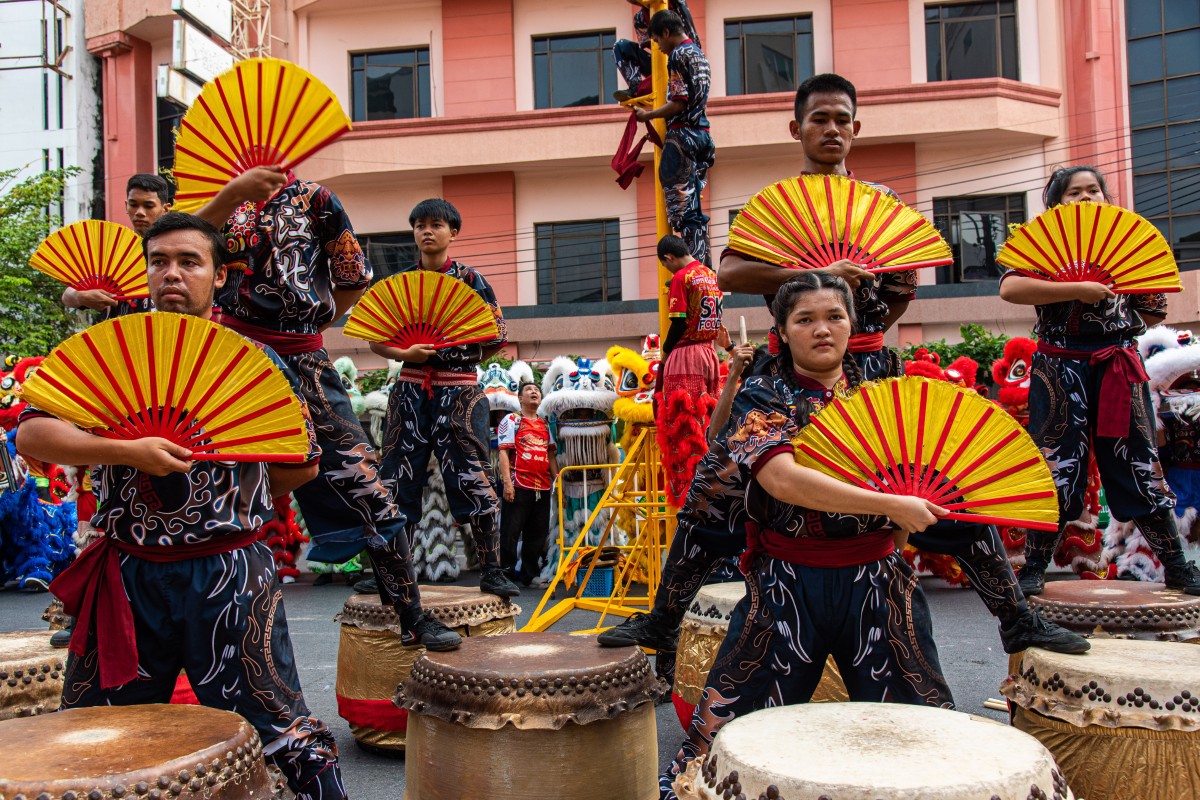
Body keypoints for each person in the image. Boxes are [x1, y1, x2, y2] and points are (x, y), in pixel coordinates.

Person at [600, 73, 1087, 659]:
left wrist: (861, 314)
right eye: (818, 119)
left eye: (841, 119)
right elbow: (730, 275)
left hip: (871, 369)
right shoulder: (775, 207)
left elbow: (906, 286)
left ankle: (1015, 618)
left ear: (856, 128)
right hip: (784, 373)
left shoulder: (882, 208)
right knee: (716, 490)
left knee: (945, 483)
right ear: (797, 128)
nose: (831, 129)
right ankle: (662, 622)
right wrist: (818, 283)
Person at [17, 213, 345, 800]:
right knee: (93, 735)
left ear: (220, 278)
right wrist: (127, 450)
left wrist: (239, 481)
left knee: (282, 730)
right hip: (127, 576)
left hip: (230, 574)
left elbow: (305, 461)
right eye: (160, 261)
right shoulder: (110, 354)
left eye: (190, 262)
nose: (172, 274)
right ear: (145, 272)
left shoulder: (256, 360)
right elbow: (33, 436)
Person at [657, 272, 954, 798]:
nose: (822, 329)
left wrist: (893, 538)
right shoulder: (762, 394)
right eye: (805, 319)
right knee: (721, 737)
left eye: (834, 316)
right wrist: (894, 507)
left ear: (852, 322)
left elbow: (916, 468)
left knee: (923, 734)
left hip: (879, 586)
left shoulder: (883, 392)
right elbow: (781, 478)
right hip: (788, 585)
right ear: (783, 330)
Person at [196, 166, 461, 650]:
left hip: (304, 357)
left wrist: (310, 316)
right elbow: (183, 244)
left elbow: (352, 278)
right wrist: (231, 193)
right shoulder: (216, 199)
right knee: (212, 485)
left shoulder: (317, 200)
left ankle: (412, 615)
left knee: (364, 479)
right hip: (230, 358)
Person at [1000, 165, 1200, 596]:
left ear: (1107, 199)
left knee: (1139, 463)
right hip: (1059, 367)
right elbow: (1011, 289)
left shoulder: (1127, 243)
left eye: (1094, 190)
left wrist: (1113, 309)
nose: (1086, 197)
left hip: (1117, 367)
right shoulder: (1042, 243)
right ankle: (1034, 566)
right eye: (1075, 192)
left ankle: (1178, 567)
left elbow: (1153, 310)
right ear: (1056, 205)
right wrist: (1077, 290)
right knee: (1056, 467)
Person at [372, 198, 521, 600]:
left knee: (473, 475)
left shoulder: (472, 281)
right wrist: (406, 354)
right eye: (419, 224)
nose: (426, 231)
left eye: (436, 224)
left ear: (452, 232)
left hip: (460, 391)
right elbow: (375, 337)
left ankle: (492, 570)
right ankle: (391, 573)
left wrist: (463, 363)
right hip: (409, 387)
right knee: (396, 479)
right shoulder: (398, 282)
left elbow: (495, 338)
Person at [634, 10, 714, 266]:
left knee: (681, 209)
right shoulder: (698, 53)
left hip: (682, 135)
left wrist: (649, 115)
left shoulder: (678, 56)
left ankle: (690, 268)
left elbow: (678, 102)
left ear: (667, 33)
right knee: (695, 208)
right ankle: (702, 264)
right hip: (703, 136)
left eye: (657, 40)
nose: (658, 46)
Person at [658, 233, 723, 503]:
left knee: (683, 428)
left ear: (669, 258)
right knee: (709, 422)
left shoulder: (681, 277)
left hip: (685, 355)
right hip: (709, 354)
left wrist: (664, 353)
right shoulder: (711, 274)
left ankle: (689, 495)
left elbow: (679, 323)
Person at [60, 173, 170, 316]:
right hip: (120, 334)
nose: (140, 212)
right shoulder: (114, 251)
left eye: (148, 206)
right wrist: (80, 297)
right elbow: (68, 296)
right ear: (126, 206)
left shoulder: (175, 250)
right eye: (133, 205)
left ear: (165, 209)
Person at [497, 381, 559, 586]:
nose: (534, 392)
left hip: (542, 487)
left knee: (538, 534)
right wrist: (507, 483)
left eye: (537, 390)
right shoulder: (511, 420)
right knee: (510, 532)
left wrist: (557, 481)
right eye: (529, 390)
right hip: (518, 485)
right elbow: (503, 452)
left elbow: (550, 455)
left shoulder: (545, 424)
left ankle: (528, 575)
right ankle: (505, 575)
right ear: (520, 399)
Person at [612, 0, 700, 100]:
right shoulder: (640, 19)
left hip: (682, 63)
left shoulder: (676, 4)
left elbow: (692, 41)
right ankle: (636, 88)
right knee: (620, 46)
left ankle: (643, 88)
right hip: (663, 65)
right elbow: (656, 48)